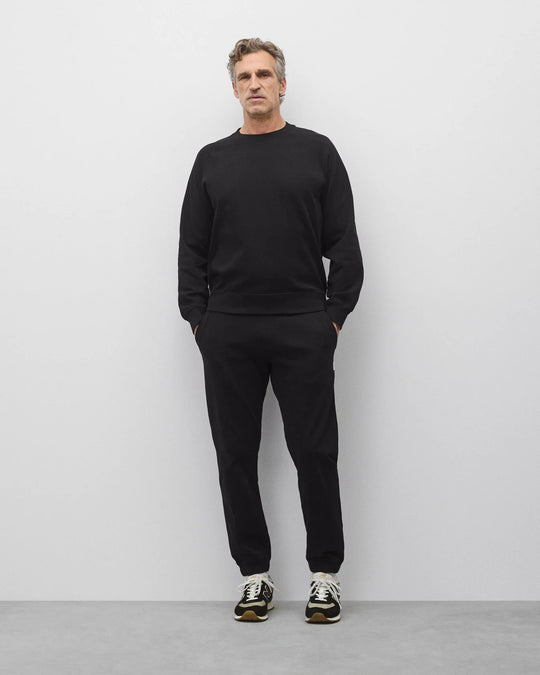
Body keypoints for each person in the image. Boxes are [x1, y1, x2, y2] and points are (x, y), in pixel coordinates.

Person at [178, 37, 364, 623]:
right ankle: (254, 577)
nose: (254, 84)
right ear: (234, 88)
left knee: (315, 452)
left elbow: (345, 242)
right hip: (228, 329)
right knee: (235, 454)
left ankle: (325, 577)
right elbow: (191, 248)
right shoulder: (212, 160)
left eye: (264, 74)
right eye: (244, 76)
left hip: (303, 324)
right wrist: (199, 319)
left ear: (282, 84)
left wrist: (332, 315)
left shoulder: (317, 152)